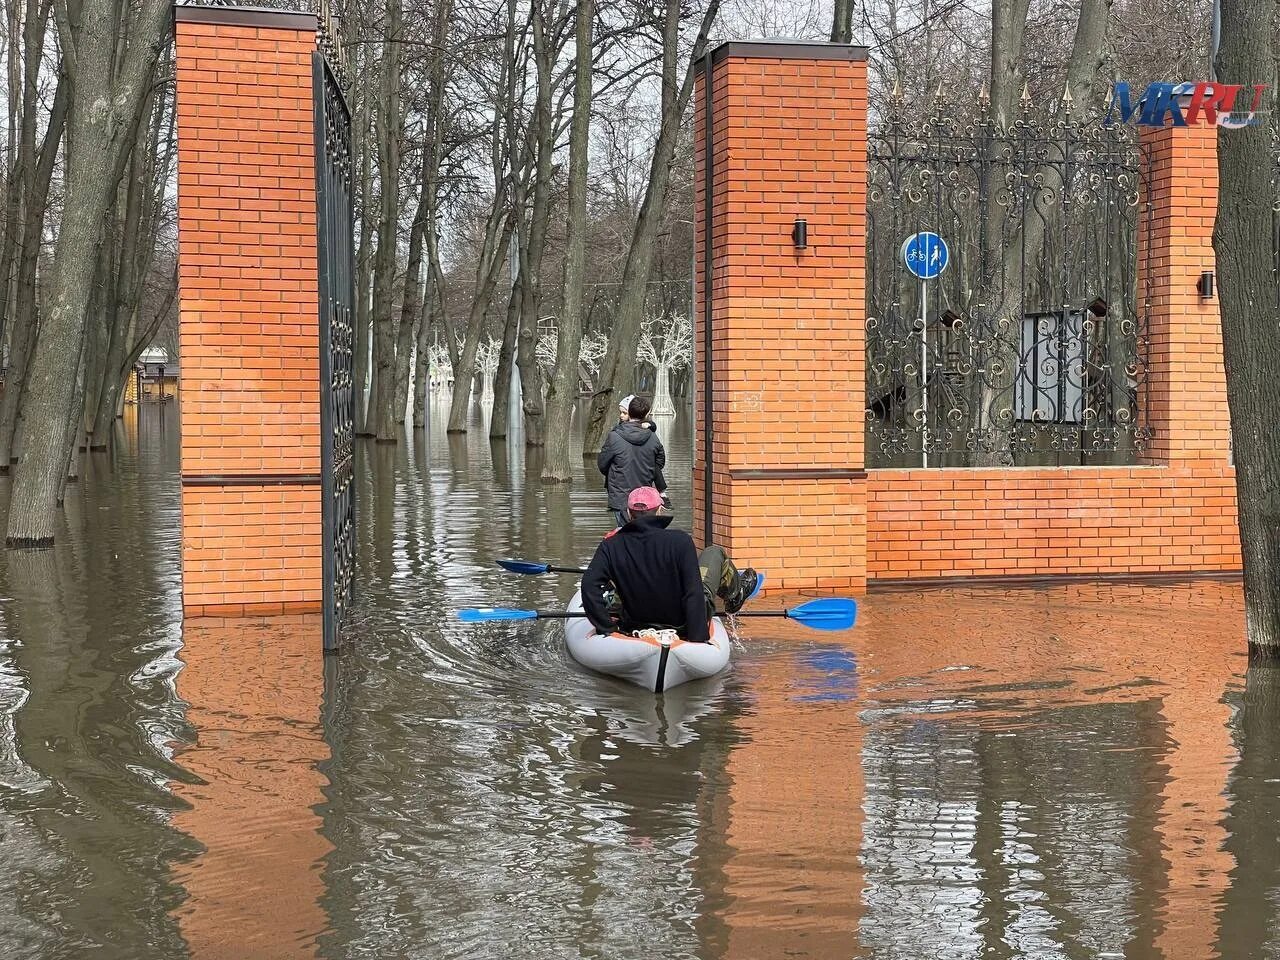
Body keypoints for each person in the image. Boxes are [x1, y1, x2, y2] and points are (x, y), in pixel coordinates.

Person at [582, 487, 758, 643]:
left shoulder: (611, 545)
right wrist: (698, 638)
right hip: (682, 625)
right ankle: (736, 593)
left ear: (628, 513)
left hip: (634, 624)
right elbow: (693, 591)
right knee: (713, 552)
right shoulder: (680, 541)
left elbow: (589, 586)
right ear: (659, 511)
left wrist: (606, 628)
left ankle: (737, 593)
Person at [598, 395, 667, 526]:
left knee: (624, 534)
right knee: (645, 534)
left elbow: (602, 464)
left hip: (620, 495)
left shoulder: (614, 436)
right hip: (645, 496)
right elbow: (660, 463)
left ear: (629, 413)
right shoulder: (653, 437)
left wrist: (616, 473)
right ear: (646, 414)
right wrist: (647, 470)